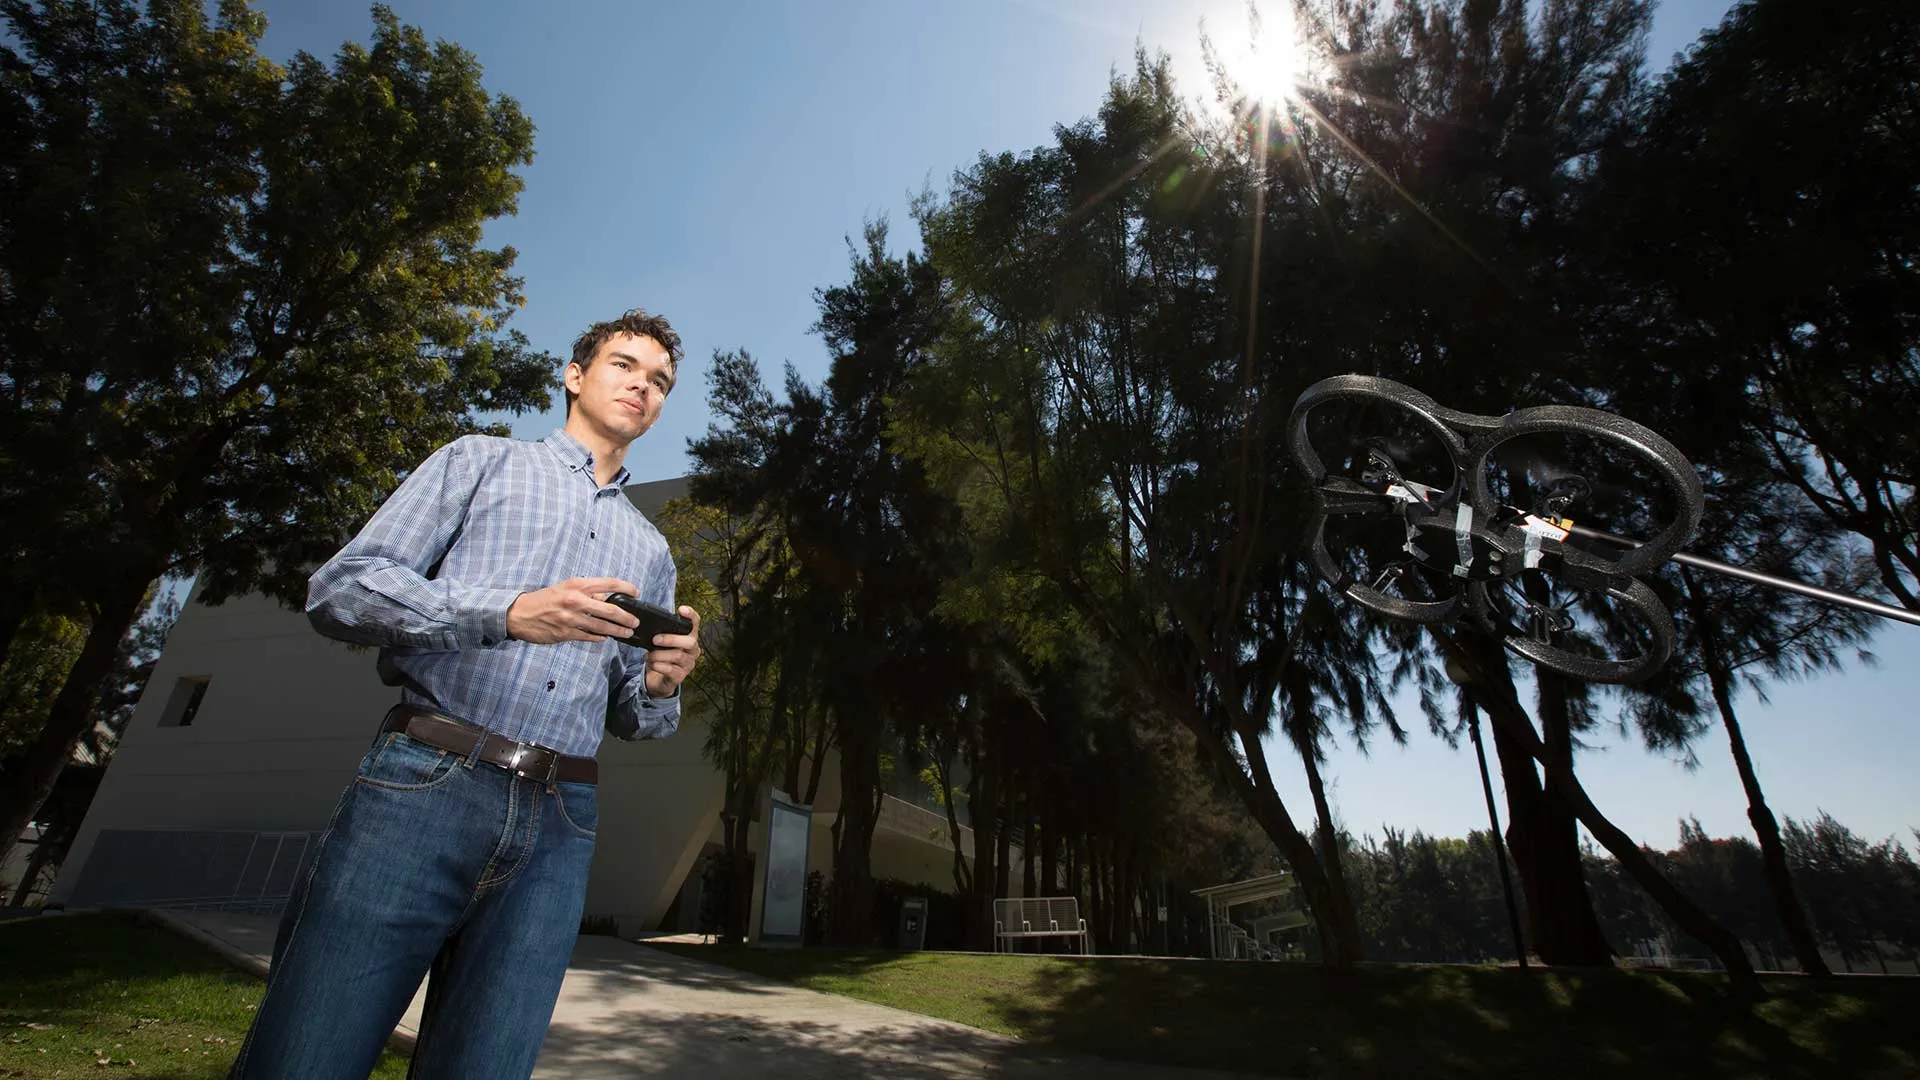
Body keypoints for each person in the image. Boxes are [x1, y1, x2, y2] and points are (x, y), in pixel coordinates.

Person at [229, 309, 703, 1080]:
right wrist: (509, 612)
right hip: (424, 783)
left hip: (560, 824)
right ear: (575, 375)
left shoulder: (652, 552)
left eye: (659, 382)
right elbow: (342, 591)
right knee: (307, 1053)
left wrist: (657, 684)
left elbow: (634, 716)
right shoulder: (479, 462)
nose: (641, 387)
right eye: (624, 365)